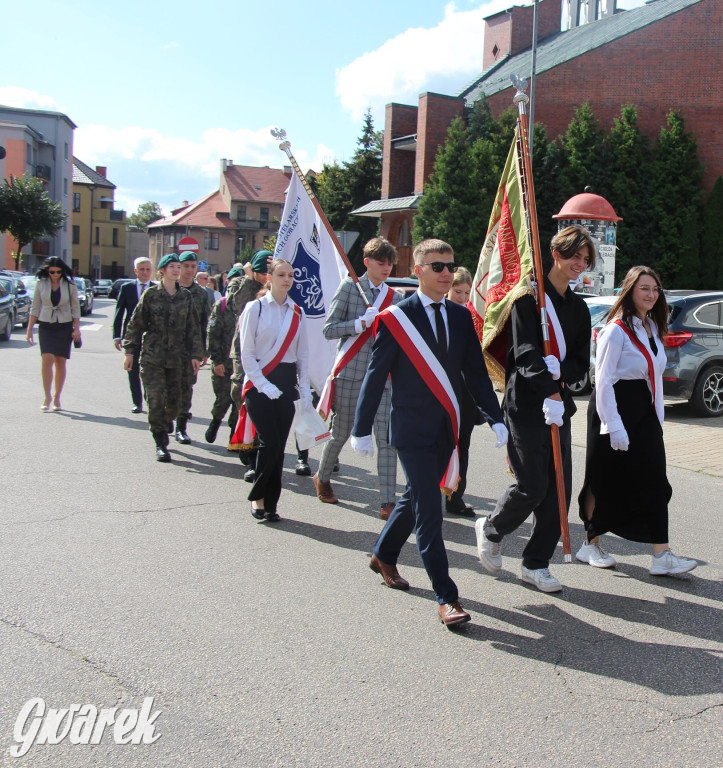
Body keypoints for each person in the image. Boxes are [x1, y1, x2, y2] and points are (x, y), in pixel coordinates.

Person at [352, 239, 507, 628]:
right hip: (410, 430)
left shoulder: (460, 316)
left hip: (447, 428)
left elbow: (475, 374)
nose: (445, 273)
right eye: (437, 266)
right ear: (418, 270)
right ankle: (447, 596)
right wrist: (361, 428)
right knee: (429, 510)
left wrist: (496, 417)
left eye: (450, 266)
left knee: (417, 496)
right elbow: (375, 376)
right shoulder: (396, 318)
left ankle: (383, 553)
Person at [474, 225, 594, 593]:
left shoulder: (579, 307)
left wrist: (564, 376)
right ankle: (491, 527)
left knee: (559, 491)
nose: (579, 264)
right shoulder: (528, 300)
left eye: (586, 259)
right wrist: (549, 388)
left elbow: (579, 360)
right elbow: (525, 355)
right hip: (526, 405)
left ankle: (535, 564)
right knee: (533, 485)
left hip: (559, 406)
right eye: (574, 255)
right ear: (556, 254)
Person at [577, 266, 697, 575]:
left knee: (656, 478)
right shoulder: (615, 330)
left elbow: (653, 375)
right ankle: (589, 543)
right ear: (630, 291)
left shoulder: (652, 328)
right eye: (644, 288)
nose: (651, 294)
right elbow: (602, 382)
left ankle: (662, 554)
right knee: (601, 477)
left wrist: (657, 415)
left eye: (655, 289)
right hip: (612, 408)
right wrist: (614, 425)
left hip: (642, 410)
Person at [314, 237, 402, 517]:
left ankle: (388, 500)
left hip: (382, 379)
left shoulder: (395, 297)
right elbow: (329, 329)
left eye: (390, 263)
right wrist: (359, 323)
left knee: (386, 440)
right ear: (367, 263)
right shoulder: (350, 288)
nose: (386, 267)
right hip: (351, 373)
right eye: (381, 262)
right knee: (341, 432)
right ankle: (323, 476)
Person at [238, 258, 311, 522]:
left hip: (285, 381)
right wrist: (262, 384)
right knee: (268, 443)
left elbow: (302, 354)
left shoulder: (296, 311)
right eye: (281, 274)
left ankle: (271, 503)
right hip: (259, 382)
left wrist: (304, 388)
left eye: (291, 275)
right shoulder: (255, 308)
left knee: (279, 447)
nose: (287, 279)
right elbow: (246, 353)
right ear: (270, 277)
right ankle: (258, 498)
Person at [122, 254, 203, 462]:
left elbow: (193, 328)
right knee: (156, 399)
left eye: (178, 266)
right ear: (162, 271)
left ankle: (167, 422)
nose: (177, 270)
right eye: (172, 267)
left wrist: (196, 354)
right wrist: (129, 351)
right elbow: (135, 324)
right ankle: (160, 442)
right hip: (153, 357)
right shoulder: (150, 295)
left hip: (178, 359)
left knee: (175, 402)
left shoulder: (186, 296)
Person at [228, 251, 272, 480]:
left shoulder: (277, 286)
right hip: (244, 354)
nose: (266, 277)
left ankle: (256, 457)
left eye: (269, 272)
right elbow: (237, 306)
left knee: (262, 408)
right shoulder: (242, 285)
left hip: (269, 356)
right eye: (262, 273)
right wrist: (248, 279)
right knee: (243, 402)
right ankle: (248, 457)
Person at [444, 266, 478, 517]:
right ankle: (432, 492)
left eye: (467, 293)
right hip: (442, 389)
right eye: (458, 291)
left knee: (462, 445)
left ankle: (456, 496)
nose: (462, 298)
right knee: (440, 445)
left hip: (465, 392)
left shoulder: (471, 317)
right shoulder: (439, 314)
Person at [25, 257, 81, 411]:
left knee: (60, 361)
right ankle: (47, 395)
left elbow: (76, 308)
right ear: (47, 271)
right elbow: (35, 307)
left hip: (64, 325)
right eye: (52, 272)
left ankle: (57, 396)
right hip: (46, 325)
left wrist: (77, 328)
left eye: (58, 272)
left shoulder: (70, 285)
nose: (55, 274)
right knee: (46, 358)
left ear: (62, 271)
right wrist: (29, 329)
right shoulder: (41, 283)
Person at [174, 251, 210, 444]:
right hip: (167, 349)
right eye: (185, 266)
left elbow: (205, 322)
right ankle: (165, 419)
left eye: (192, 266)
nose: (188, 270)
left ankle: (181, 427)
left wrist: (204, 351)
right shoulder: (170, 289)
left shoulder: (200, 294)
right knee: (165, 388)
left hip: (191, 349)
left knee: (186, 388)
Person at [112, 257, 155, 413]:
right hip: (132, 336)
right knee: (133, 369)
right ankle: (137, 402)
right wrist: (117, 336)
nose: (145, 272)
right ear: (135, 271)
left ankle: (150, 399)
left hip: (151, 337)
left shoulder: (156, 289)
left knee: (150, 370)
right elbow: (119, 313)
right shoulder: (127, 288)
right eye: (141, 269)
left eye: (147, 269)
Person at [205, 287, 238, 445]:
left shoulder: (252, 305)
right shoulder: (222, 305)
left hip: (240, 364)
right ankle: (216, 421)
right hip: (223, 362)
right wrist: (216, 360)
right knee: (223, 399)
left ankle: (234, 436)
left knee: (239, 404)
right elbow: (213, 333)